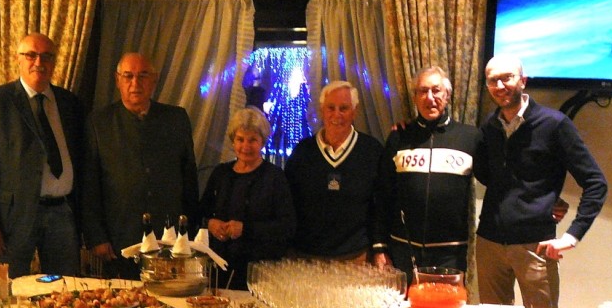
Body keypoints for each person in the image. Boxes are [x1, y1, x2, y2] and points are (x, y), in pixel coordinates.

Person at [474, 55, 608, 308]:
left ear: (522, 81)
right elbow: (488, 175)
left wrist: (572, 236)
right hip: (489, 243)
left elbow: (596, 182)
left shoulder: (554, 124)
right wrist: (538, 195)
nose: (500, 86)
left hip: (535, 246)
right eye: (493, 81)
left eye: (507, 78)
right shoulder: (488, 128)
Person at [0, 33, 83, 278]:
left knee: (64, 289)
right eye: (31, 55)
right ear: (18, 59)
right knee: (9, 292)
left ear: (54, 62)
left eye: (46, 56)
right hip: (12, 218)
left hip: (61, 214)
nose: (38, 62)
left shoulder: (69, 102)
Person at [82, 53, 200, 279]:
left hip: (170, 238)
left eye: (142, 76)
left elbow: (189, 179)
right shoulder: (99, 123)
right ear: (118, 80)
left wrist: (190, 233)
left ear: (154, 80)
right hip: (120, 238)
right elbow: (90, 186)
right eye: (128, 76)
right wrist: (96, 237)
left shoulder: (176, 119)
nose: (135, 83)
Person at [373, 66, 480, 276]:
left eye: (436, 90)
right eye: (423, 91)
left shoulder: (471, 137)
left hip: (450, 252)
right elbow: (382, 194)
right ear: (414, 97)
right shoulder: (398, 137)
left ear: (447, 95)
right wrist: (379, 245)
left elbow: (499, 178)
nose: (430, 98)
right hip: (402, 249)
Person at [284, 81, 383, 263]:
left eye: (343, 108)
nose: (336, 114)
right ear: (322, 110)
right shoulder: (302, 152)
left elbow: (380, 206)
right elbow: (288, 204)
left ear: (355, 111)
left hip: (356, 258)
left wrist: (379, 248)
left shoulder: (372, 151)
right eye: (331, 108)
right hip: (306, 257)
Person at [199, 108, 296, 290]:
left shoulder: (275, 177)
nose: (246, 146)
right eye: (240, 139)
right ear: (233, 141)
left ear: (262, 142)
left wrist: (246, 229)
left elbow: (287, 226)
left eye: (253, 140)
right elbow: (200, 213)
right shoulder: (221, 173)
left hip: (258, 273)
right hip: (218, 268)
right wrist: (210, 223)